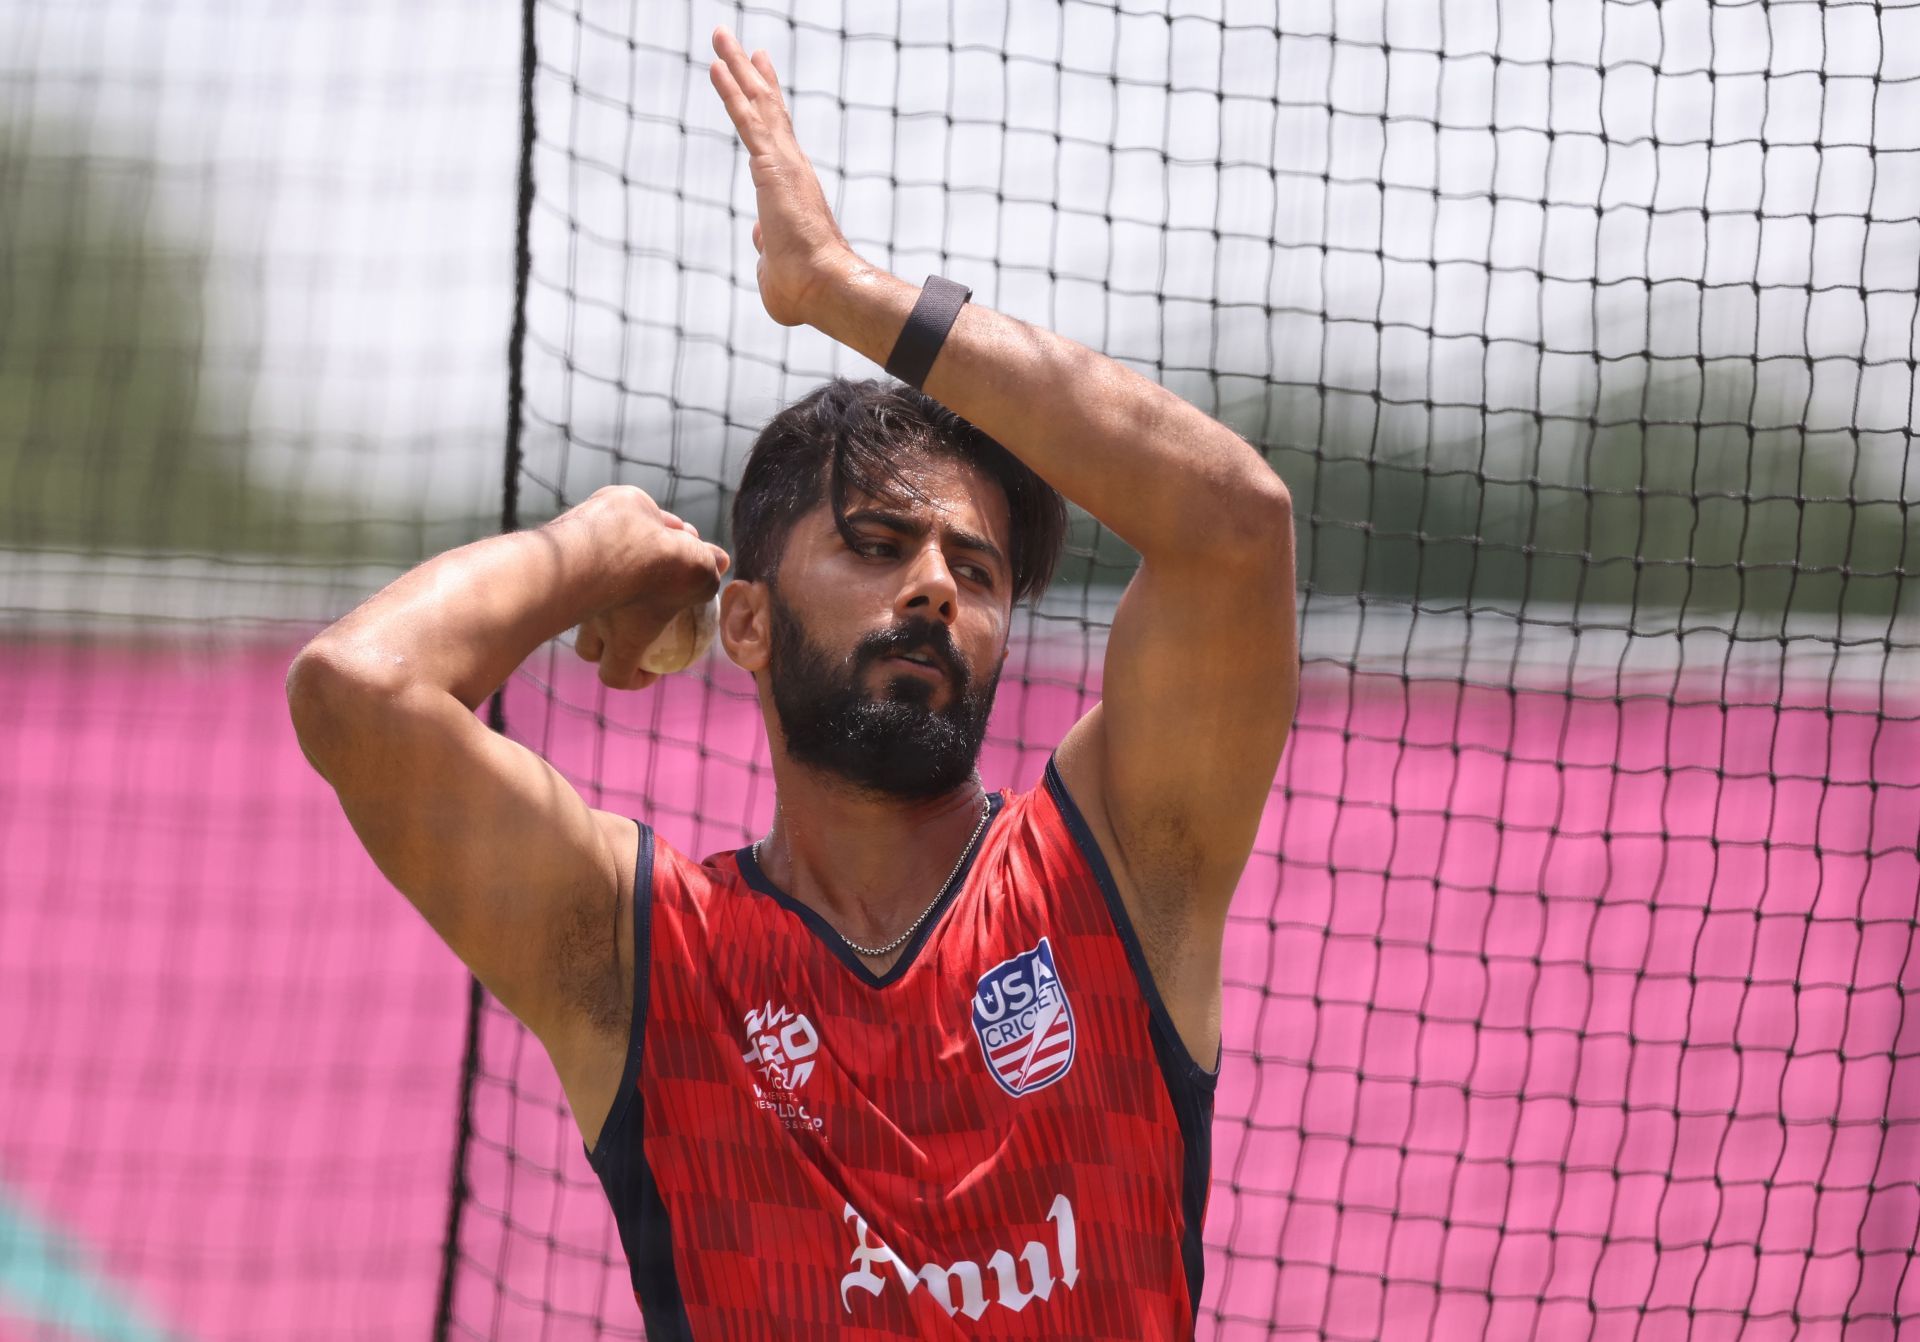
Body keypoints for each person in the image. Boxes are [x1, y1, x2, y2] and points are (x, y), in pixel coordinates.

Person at [286, 25, 1297, 1340]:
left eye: (979, 572)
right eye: (877, 545)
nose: (935, 585)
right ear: (745, 624)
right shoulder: (641, 951)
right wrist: (597, 545)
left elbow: (1238, 524)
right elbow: (359, 689)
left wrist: (839, 287)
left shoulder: (1120, 868)